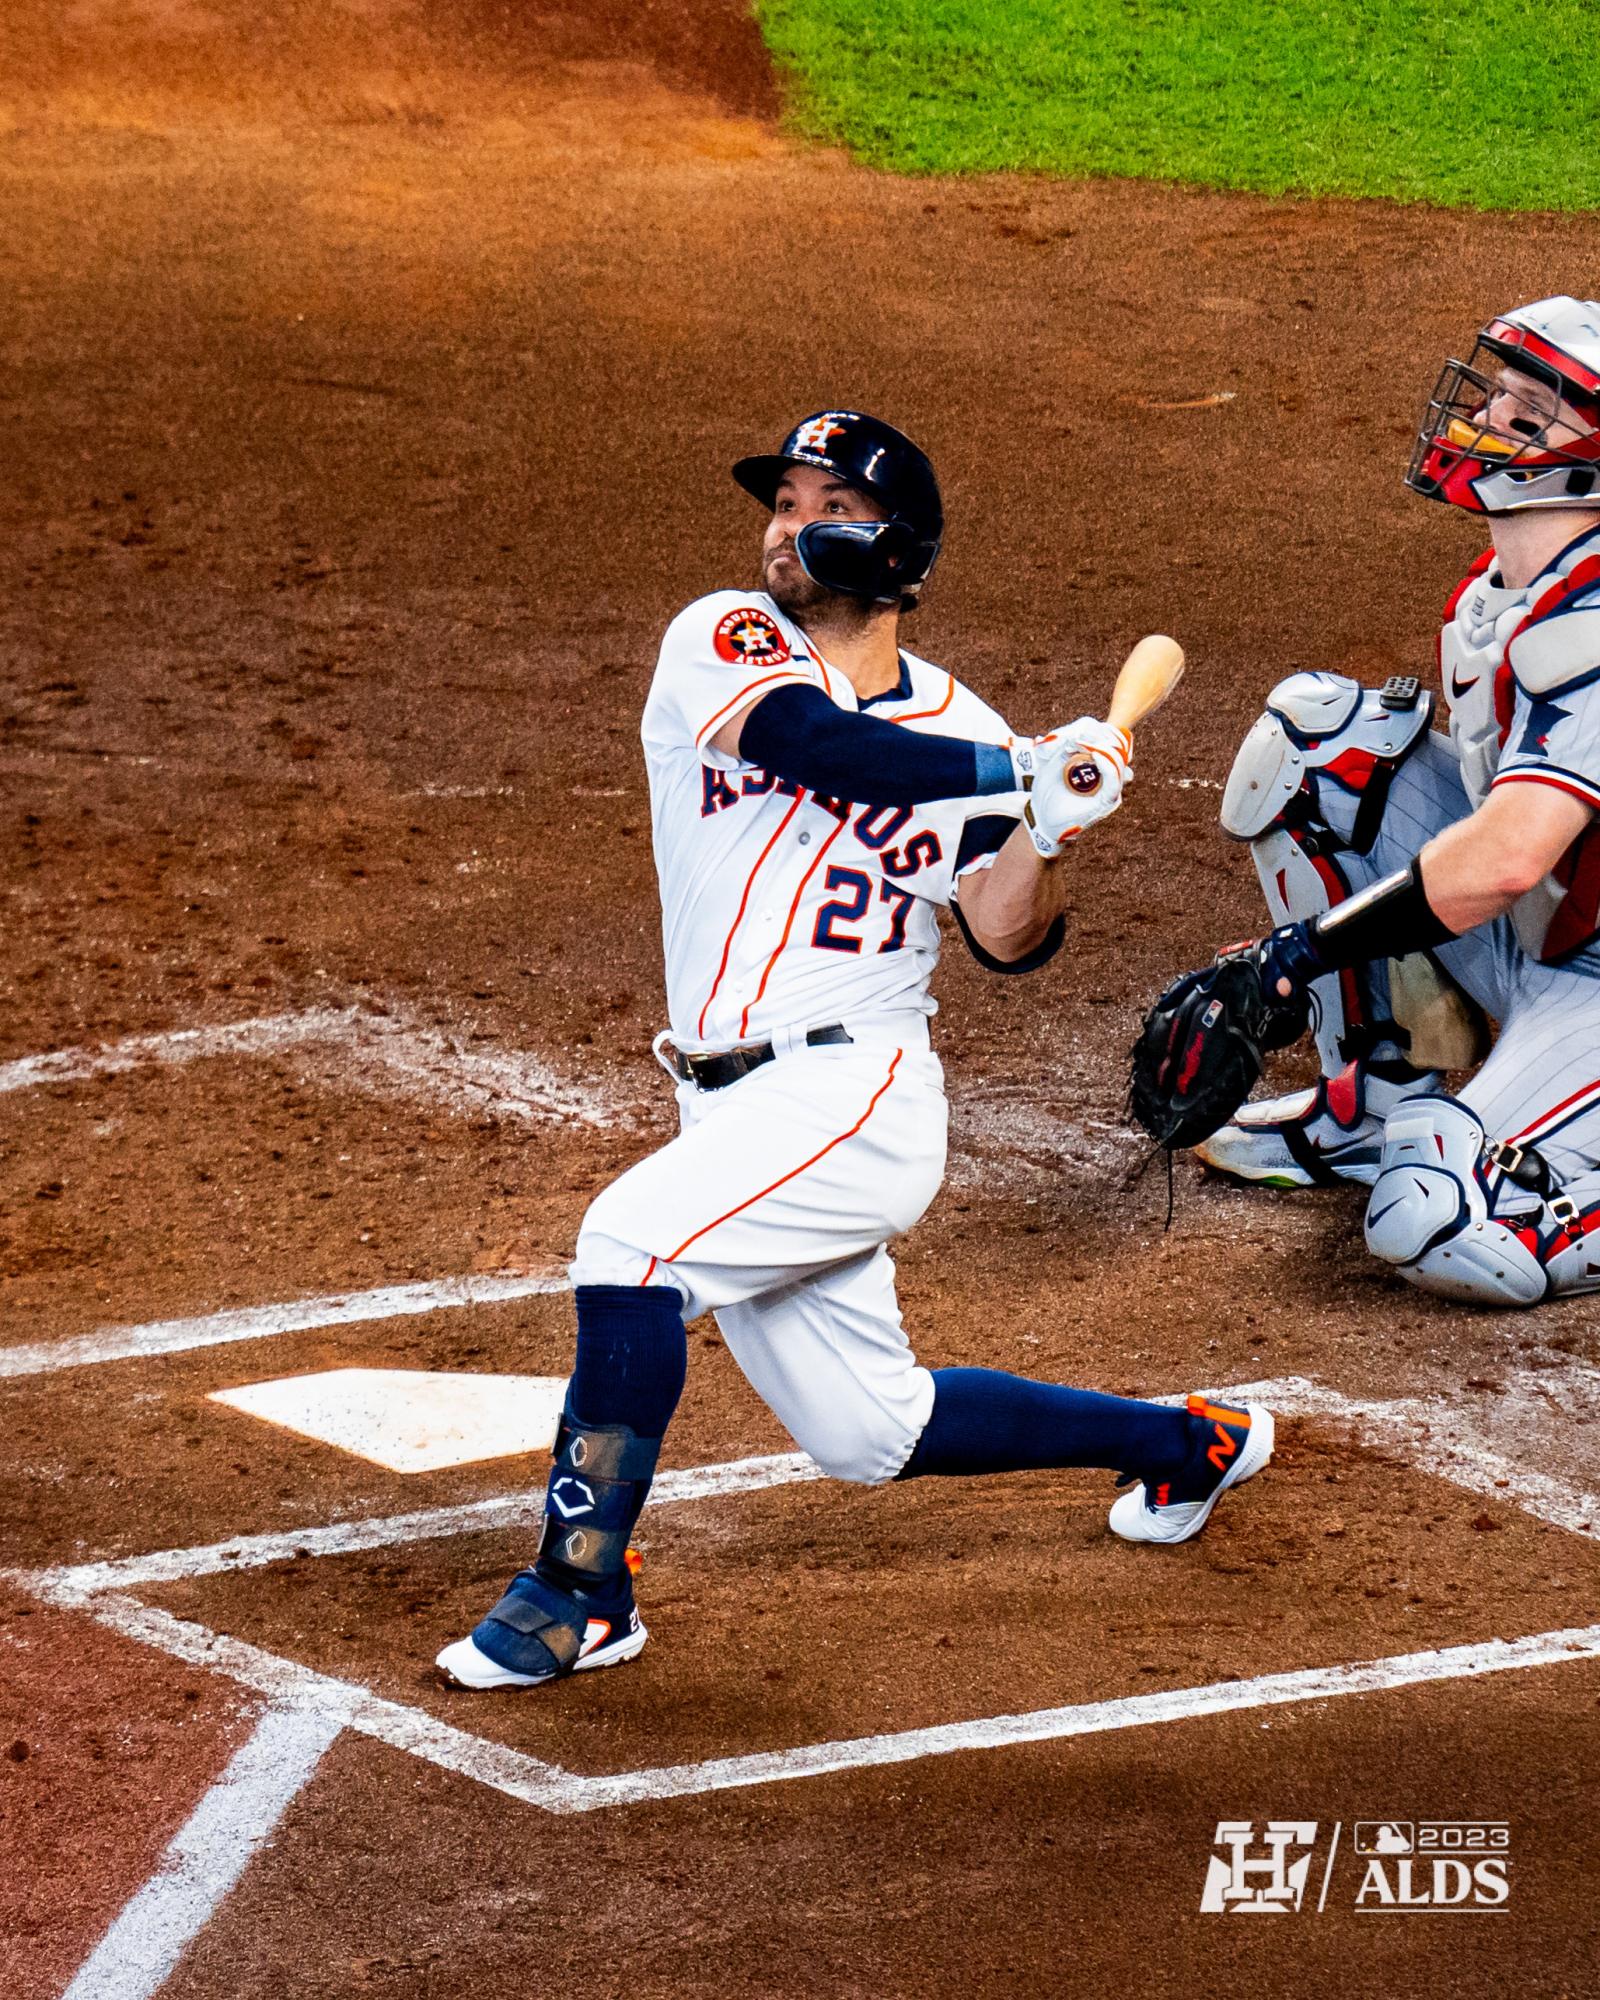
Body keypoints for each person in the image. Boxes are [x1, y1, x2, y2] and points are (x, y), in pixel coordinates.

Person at [436, 410, 1272, 1690]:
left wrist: (1044, 825)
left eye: (825, 506)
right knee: (869, 1431)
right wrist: (1017, 761)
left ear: (897, 551)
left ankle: (580, 1591)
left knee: (631, 1247)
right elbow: (814, 744)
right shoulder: (722, 640)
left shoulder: (962, 722)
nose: (786, 527)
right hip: (724, 1102)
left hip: (858, 1088)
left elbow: (1003, 936)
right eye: (781, 503)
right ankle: (1183, 1439)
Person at [1172, 296, 1600, 1305]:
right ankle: (1373, 1102)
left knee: (1436, 1220)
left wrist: (1301, 951)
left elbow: (1504, 856)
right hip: (1543, 941)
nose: (1483, 419)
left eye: (1525, 414)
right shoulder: (1514, 588)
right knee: (1320, 744)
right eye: (1497, 396)